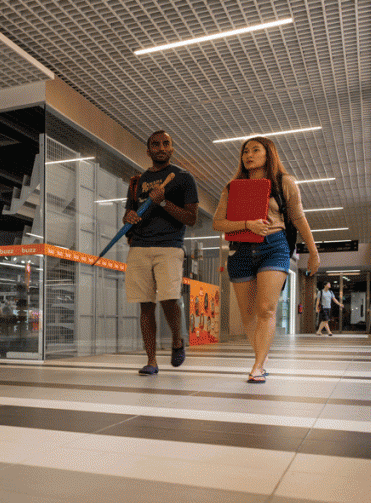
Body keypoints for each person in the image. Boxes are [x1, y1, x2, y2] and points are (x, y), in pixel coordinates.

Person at [212, 136, 320, 383]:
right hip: (240, 250)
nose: (248, 155)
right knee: (248, 314)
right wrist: (247, 224)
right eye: (245, 151)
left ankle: (258, 365)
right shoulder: (232, 187)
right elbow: (218, 222)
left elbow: (299, 218)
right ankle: (262, 355)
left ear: (268, 154)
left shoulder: (284, 182)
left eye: (255, 150)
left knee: (266, 308)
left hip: (274, 246)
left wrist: (313, 252)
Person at [123, 131, 199, 375]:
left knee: (169, 299)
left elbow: (192, 218)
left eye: (166, 143)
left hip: (169, 246)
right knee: (145, 304)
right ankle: (151, 360)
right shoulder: (136, 182)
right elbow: (128, 213)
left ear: (172, 148)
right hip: (139, 247)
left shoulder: (183, 178)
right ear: (148, 151)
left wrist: (164, 202)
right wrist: (129, 216)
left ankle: (177, 340)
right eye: (155, 144)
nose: (161, 148)